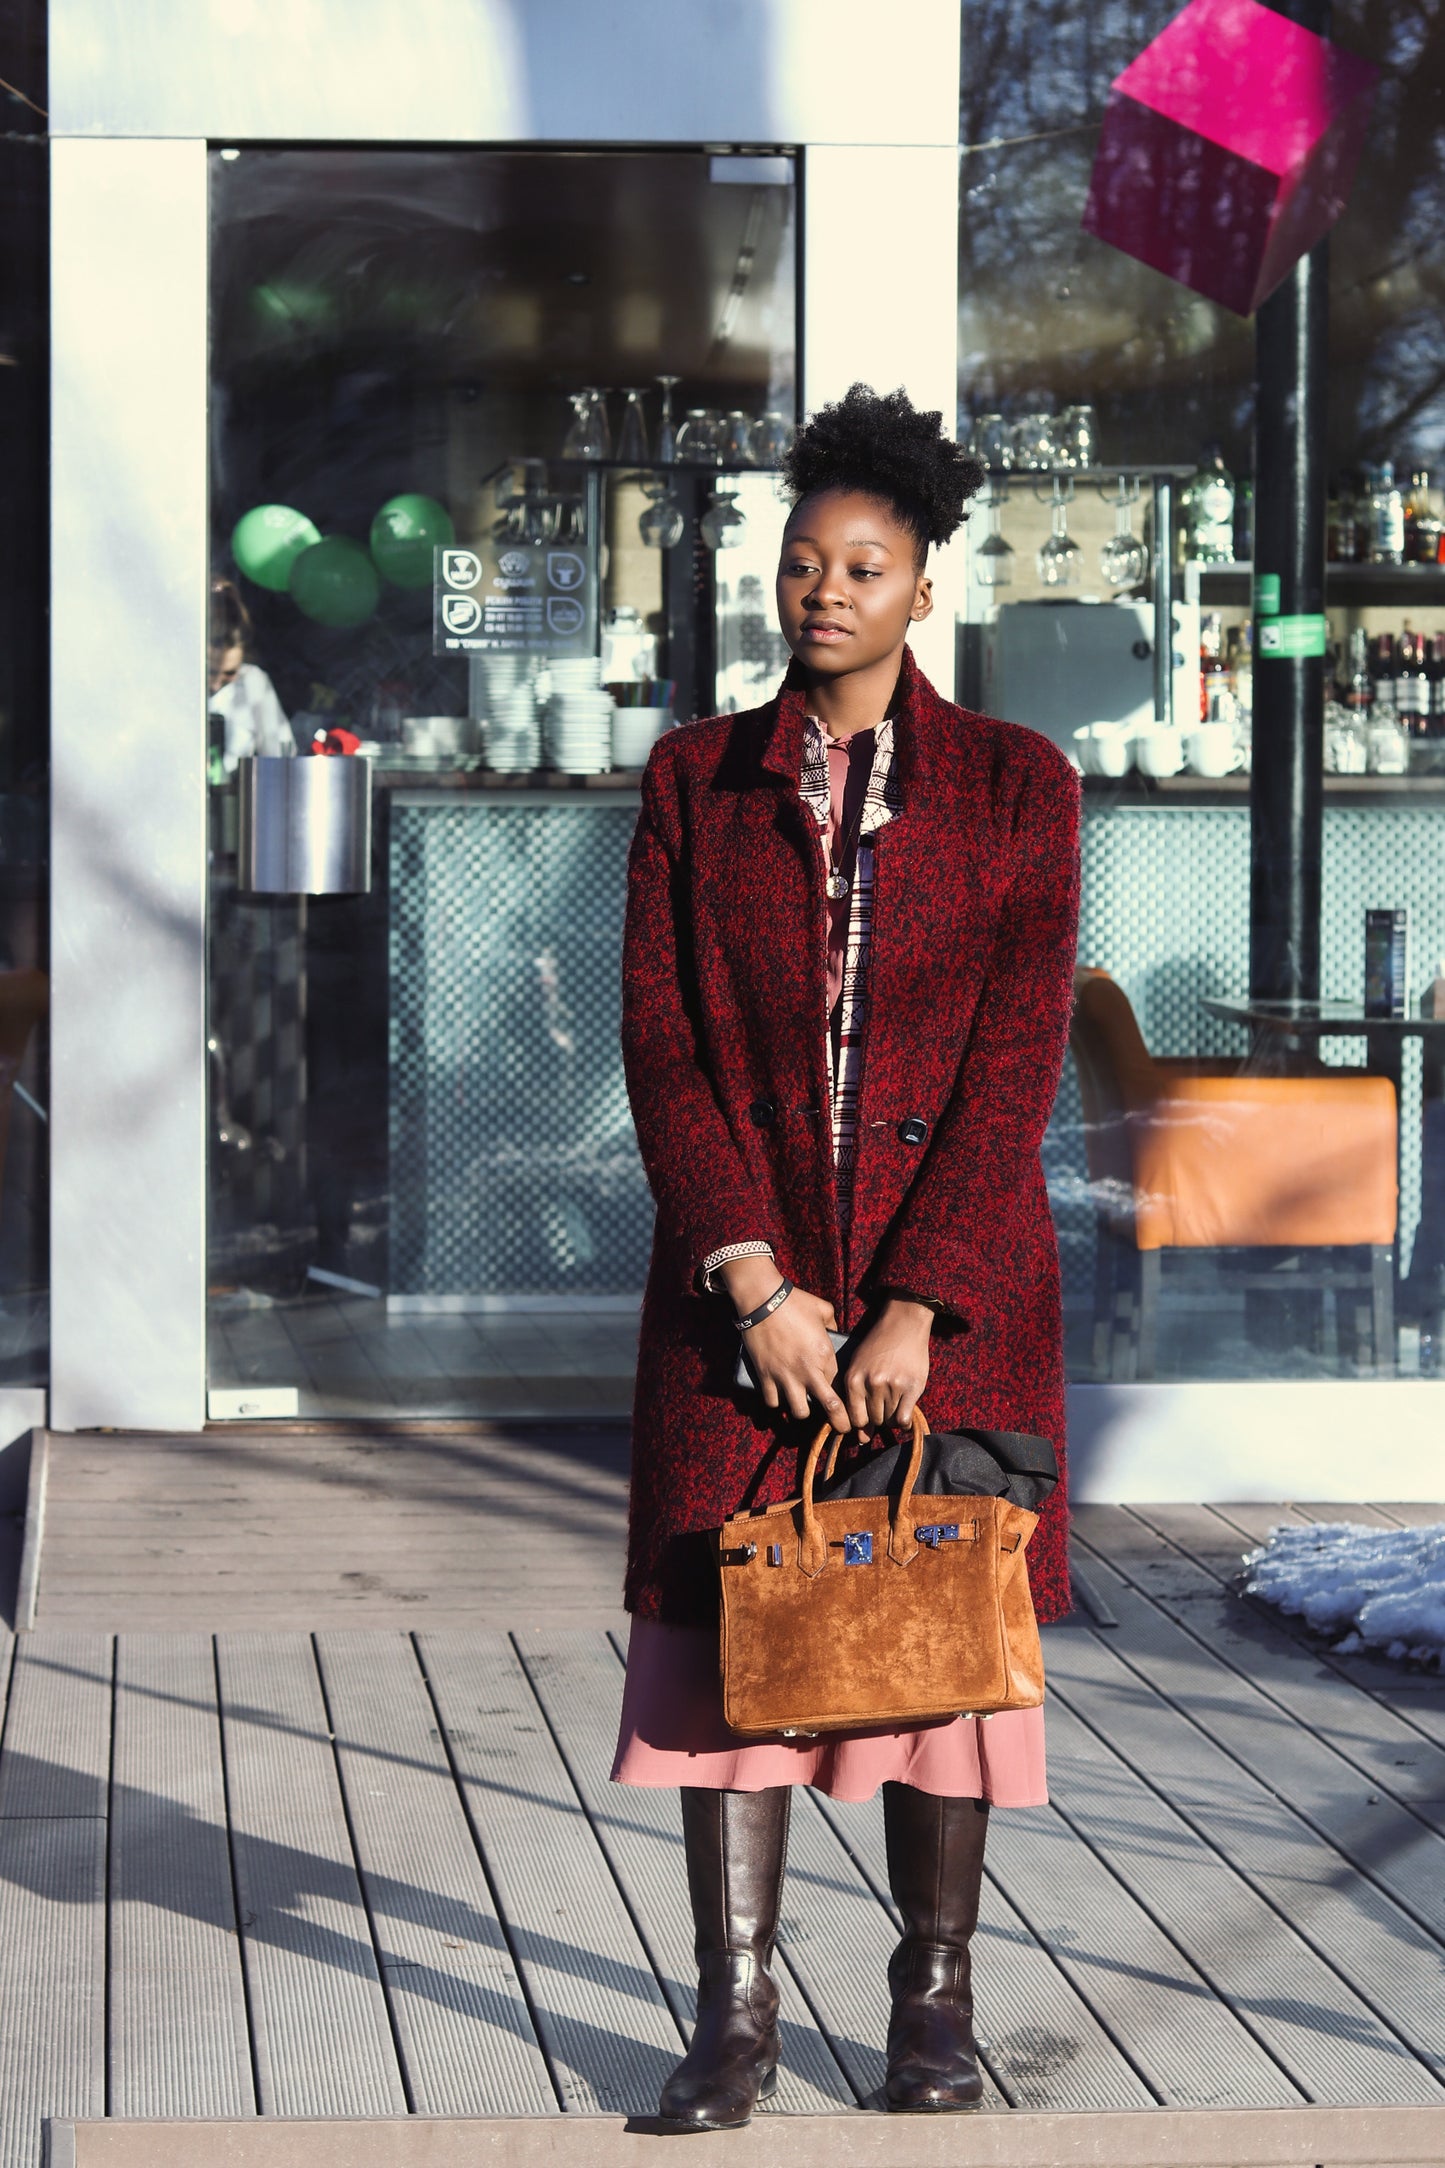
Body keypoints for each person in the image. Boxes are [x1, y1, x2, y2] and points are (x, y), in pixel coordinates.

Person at [614, 384, 1081, 2127]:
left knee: (932, 1647)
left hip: (943, 1304)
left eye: (860, 565)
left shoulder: (1022, 788)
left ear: (920, 587)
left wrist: (909, 1306)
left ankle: (932, 2009)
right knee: (723, 1652)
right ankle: (732, 2016)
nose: (822, 590)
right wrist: (754, 1277)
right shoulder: (692, 782)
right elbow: (662, 1046)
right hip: (741, 1309)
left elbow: (1015, 1058)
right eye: (802, 561)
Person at [208, 577, 296, 770]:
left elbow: (279, 757)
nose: (215, 684)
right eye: (210, 671)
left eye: (229, 674)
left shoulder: (252, 682)